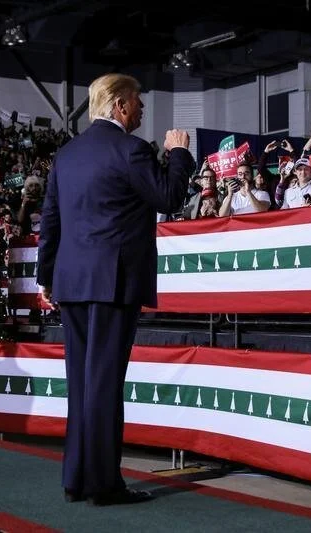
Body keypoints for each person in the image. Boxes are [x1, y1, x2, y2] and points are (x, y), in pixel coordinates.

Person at [36, 73, 195, 507]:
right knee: (103, 385)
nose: (142, 108)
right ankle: (103, 484)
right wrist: (178, 153)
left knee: (82, 385)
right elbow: (169, 197)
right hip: (113, 283)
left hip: (71, 282)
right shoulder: (131, 149)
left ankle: (77, 479)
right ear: (121, 105)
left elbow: (50, 221)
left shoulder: (66, 155)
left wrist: (45, 277)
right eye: (138, 101)